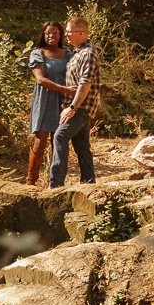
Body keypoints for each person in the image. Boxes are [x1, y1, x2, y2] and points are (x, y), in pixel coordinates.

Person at [49, 15, 100, 187]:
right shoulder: (77, 53)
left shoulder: (89, 53)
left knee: (60, 136)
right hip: (77, 106)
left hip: (81, 107)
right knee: (82, 147)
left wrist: (72, 107)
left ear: (81, 33)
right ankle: (89, 184)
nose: (66, 35)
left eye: (69, 32)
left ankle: (55, 186)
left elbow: (85, 84)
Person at [24, 21, 73, 186]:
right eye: (48, 33)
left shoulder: (68, 53)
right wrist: (66, 89)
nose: (51, 36)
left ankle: (53, 181)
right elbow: (40, 79)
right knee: (40, 142)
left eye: (55, 32)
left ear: (60, 35)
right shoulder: (38, 53)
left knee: (57, 142)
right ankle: (31, 182)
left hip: (64, 102)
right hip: (45, 100)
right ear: (43, 35)